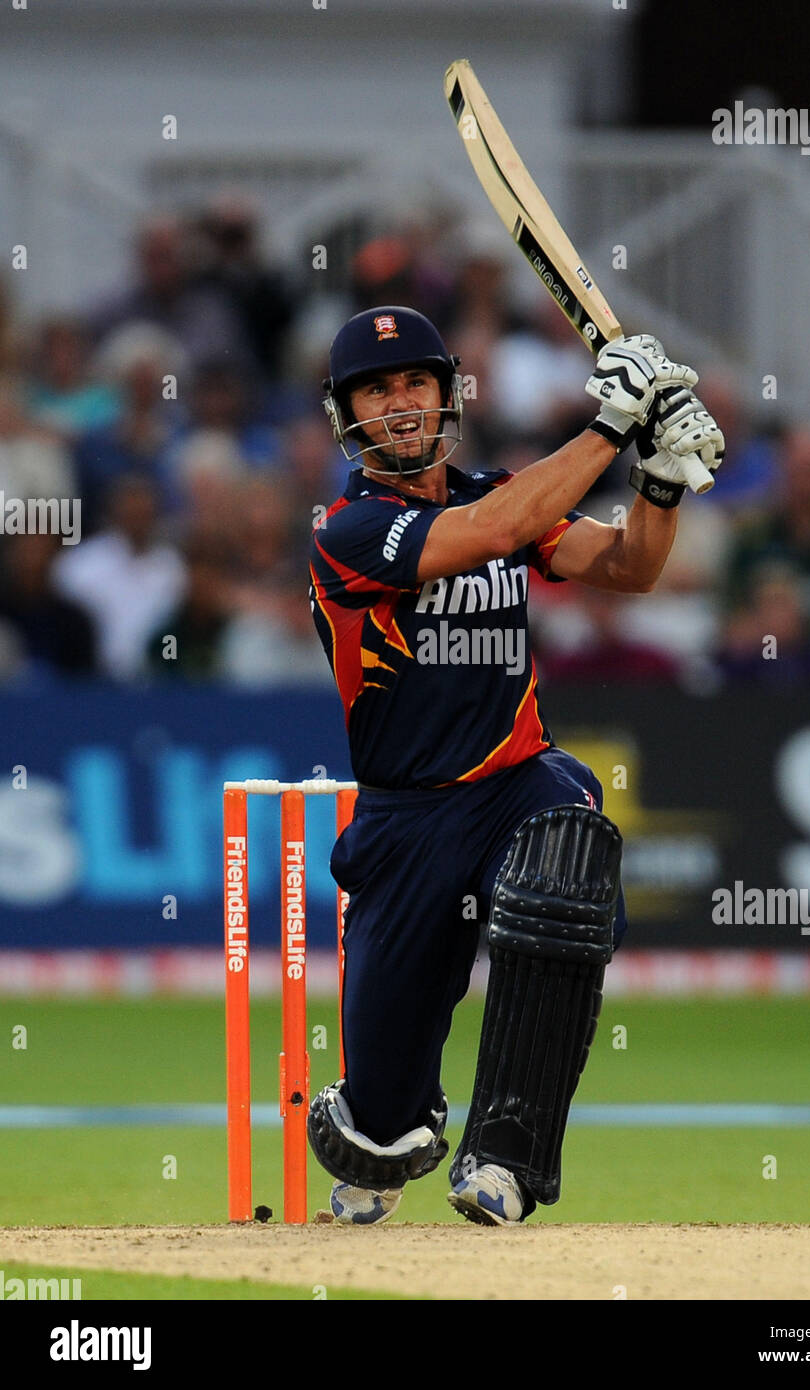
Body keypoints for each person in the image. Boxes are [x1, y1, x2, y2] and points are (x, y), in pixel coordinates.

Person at [305, 306, 723, 1225]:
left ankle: (505, 1157)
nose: (401, 402)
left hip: (513, 782)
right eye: (377, 389)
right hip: (406, 819)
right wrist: (612, 425)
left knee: (567, 853)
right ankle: (380, 1135)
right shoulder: (347, 529)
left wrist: (656, 481)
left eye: (416, 381)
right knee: (379, 1121)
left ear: (447, 393)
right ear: (348, 414)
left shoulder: (503, 491)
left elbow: (627, 569)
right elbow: (486, 533)